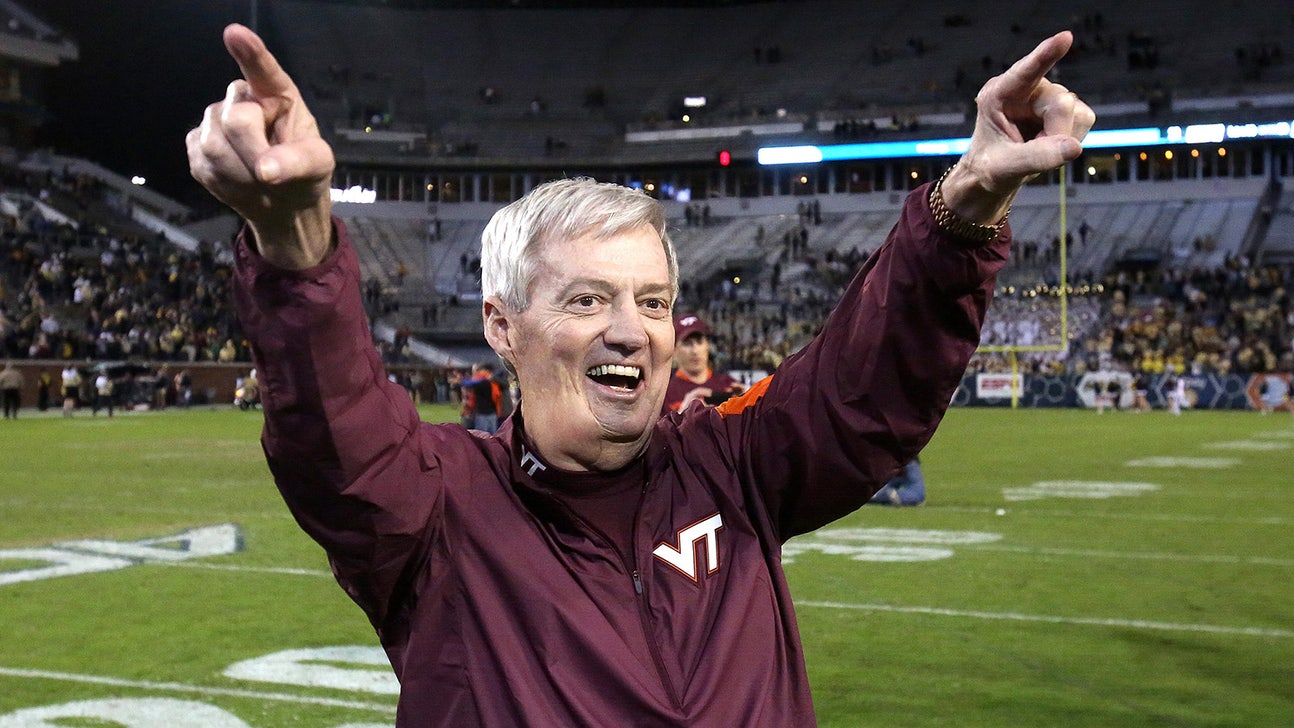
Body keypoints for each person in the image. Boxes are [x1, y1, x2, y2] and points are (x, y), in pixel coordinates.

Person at [187, 24, 1092, 726]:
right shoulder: (439, 513)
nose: (632, 331)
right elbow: (336, 437)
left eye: (653, 302)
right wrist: (298, 242)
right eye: (587, 300)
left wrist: (969, 197)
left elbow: (867, 388)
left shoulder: (732, 466)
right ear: (501, 325)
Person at [661, 314, 747, 413]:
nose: (695, 351)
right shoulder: (665, 394)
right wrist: (681, 417)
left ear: (707, 345)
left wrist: (746, 404)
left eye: (699, 342)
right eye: (687, 344)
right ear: (674, 350)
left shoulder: (728, 385)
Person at [463, 362, 503, 434]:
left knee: (481, 436)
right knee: (493, 437)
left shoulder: (479, 381)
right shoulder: (494, 380)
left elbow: (466, 383)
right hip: (493, 413)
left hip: (482, 414)